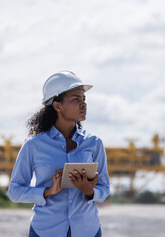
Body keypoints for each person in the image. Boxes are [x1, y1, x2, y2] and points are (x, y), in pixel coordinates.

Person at [8, 70, 110, 237]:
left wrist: (89, 191)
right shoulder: (33, 145)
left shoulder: (94, 143)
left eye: (84, 99)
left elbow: (105, 188)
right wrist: (47, 191)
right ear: (57, 105)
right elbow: (15, 191)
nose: (83, 104)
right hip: (45, 231)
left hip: (87, 231)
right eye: (76, 99)